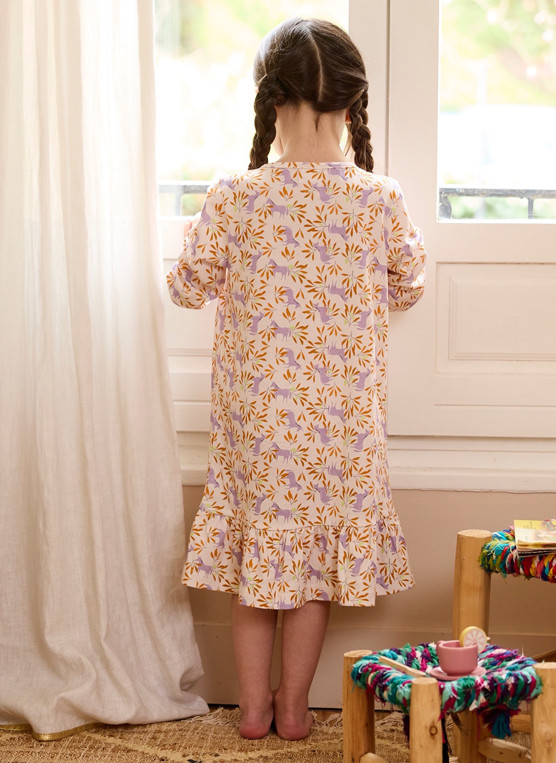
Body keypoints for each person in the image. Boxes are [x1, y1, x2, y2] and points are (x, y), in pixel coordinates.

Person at [167, 18, 426, 741]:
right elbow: (408, 286)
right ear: (352, 104)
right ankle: (290, 711)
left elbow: (187, 287)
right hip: (341, 433)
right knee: (311, 576)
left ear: (271, 102)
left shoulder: (235, 197)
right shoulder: (380, 199)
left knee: (259, 568)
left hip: (259, 432)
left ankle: (249, 711)